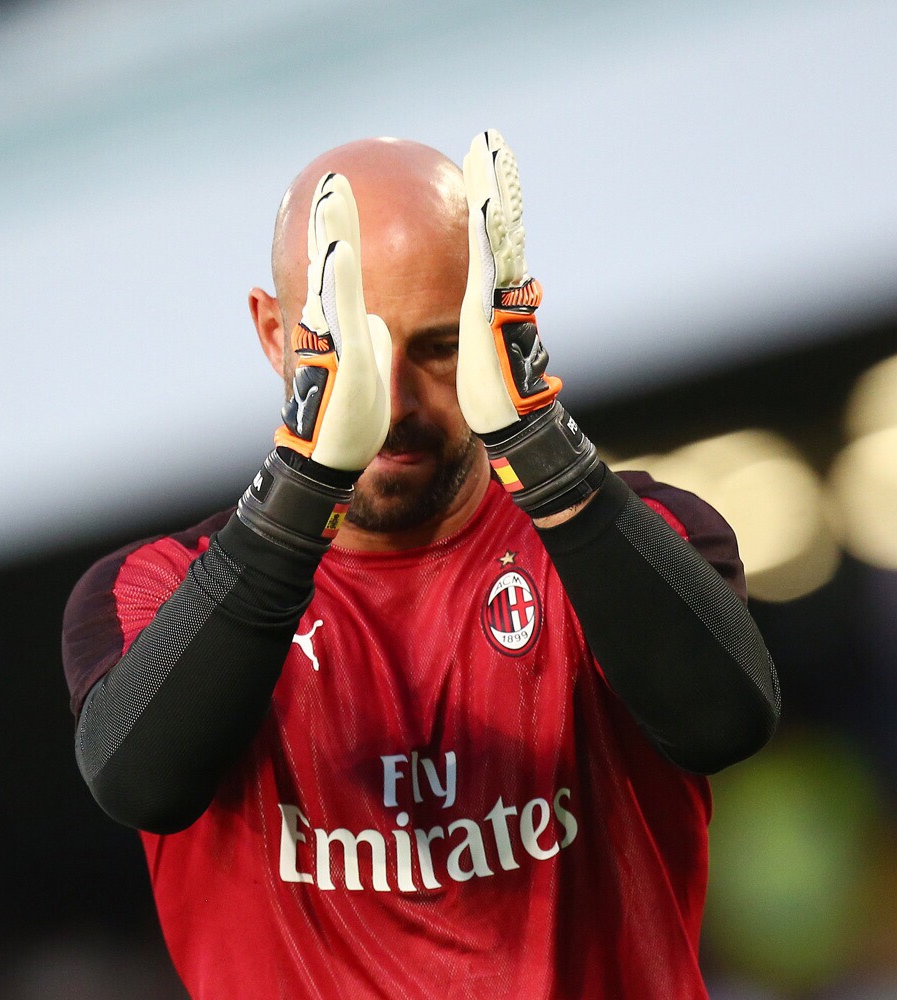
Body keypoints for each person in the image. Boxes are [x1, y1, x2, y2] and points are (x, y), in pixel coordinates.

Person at [61, 130, 780, 1000]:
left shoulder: (635, 534)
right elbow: (139, 781)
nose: (392, 403)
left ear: (499, 333)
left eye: (440, 347)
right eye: (350, 351)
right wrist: (304, 481)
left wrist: (541, 446)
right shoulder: (156, 589)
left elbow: (724, 723)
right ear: (274, 333)